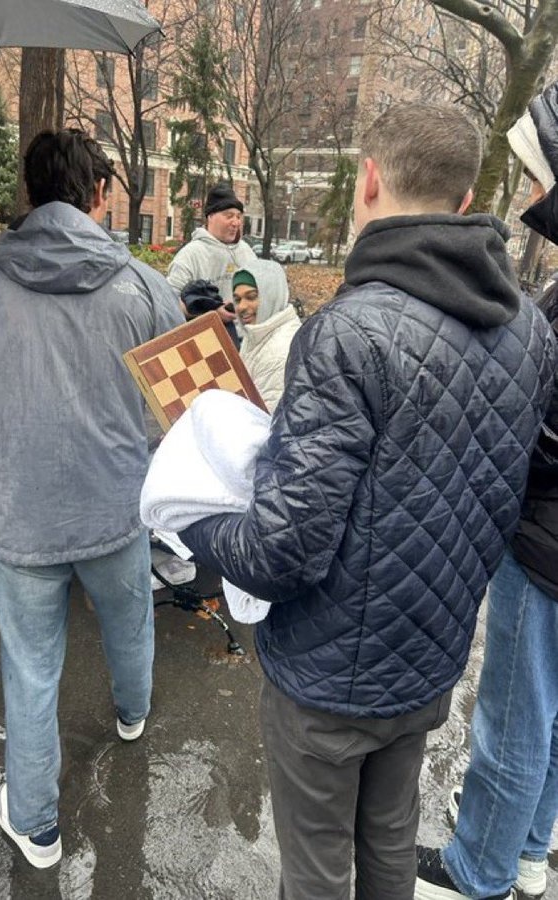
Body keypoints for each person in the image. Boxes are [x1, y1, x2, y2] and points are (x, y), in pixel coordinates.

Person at [176, 102, 556, 900]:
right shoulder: (529, 328)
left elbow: (285, 551)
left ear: (369, 181)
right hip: (428, 659)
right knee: (386, 845)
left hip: (325, 678)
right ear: (462, 201)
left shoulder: (349, 332)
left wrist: (192, 522)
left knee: (314, 870)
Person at [0, 129, 184, 869]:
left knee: (30, 666)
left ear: (30, 194)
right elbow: (186, 411)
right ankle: (132, 714)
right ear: (100, 195)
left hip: (21, 516)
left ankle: (35, 824)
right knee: (129, 624)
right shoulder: (146, 287)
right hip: (118, 509)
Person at [416, 83, 558, 900]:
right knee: (552, 714)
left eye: (538, 175)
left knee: (513, 714)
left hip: (541, 544)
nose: (530, 194)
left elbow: (542, 437)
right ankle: (531, 851)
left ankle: (478, 872)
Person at [167, 181, 257, 344]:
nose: (236, 222)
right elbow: (168, 305)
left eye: (238, 216)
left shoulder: (247, 252)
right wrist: (211, 313)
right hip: (205, 345)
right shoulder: (190, 255)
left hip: (246, 343)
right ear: (210, 217)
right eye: (229, 216)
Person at [231, 259, 301, 413]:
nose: (241, 306)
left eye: (251, 297)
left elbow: (264, 421)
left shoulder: (279, 349)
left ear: (271, 294)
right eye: (237, 299)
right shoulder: (256, 334)